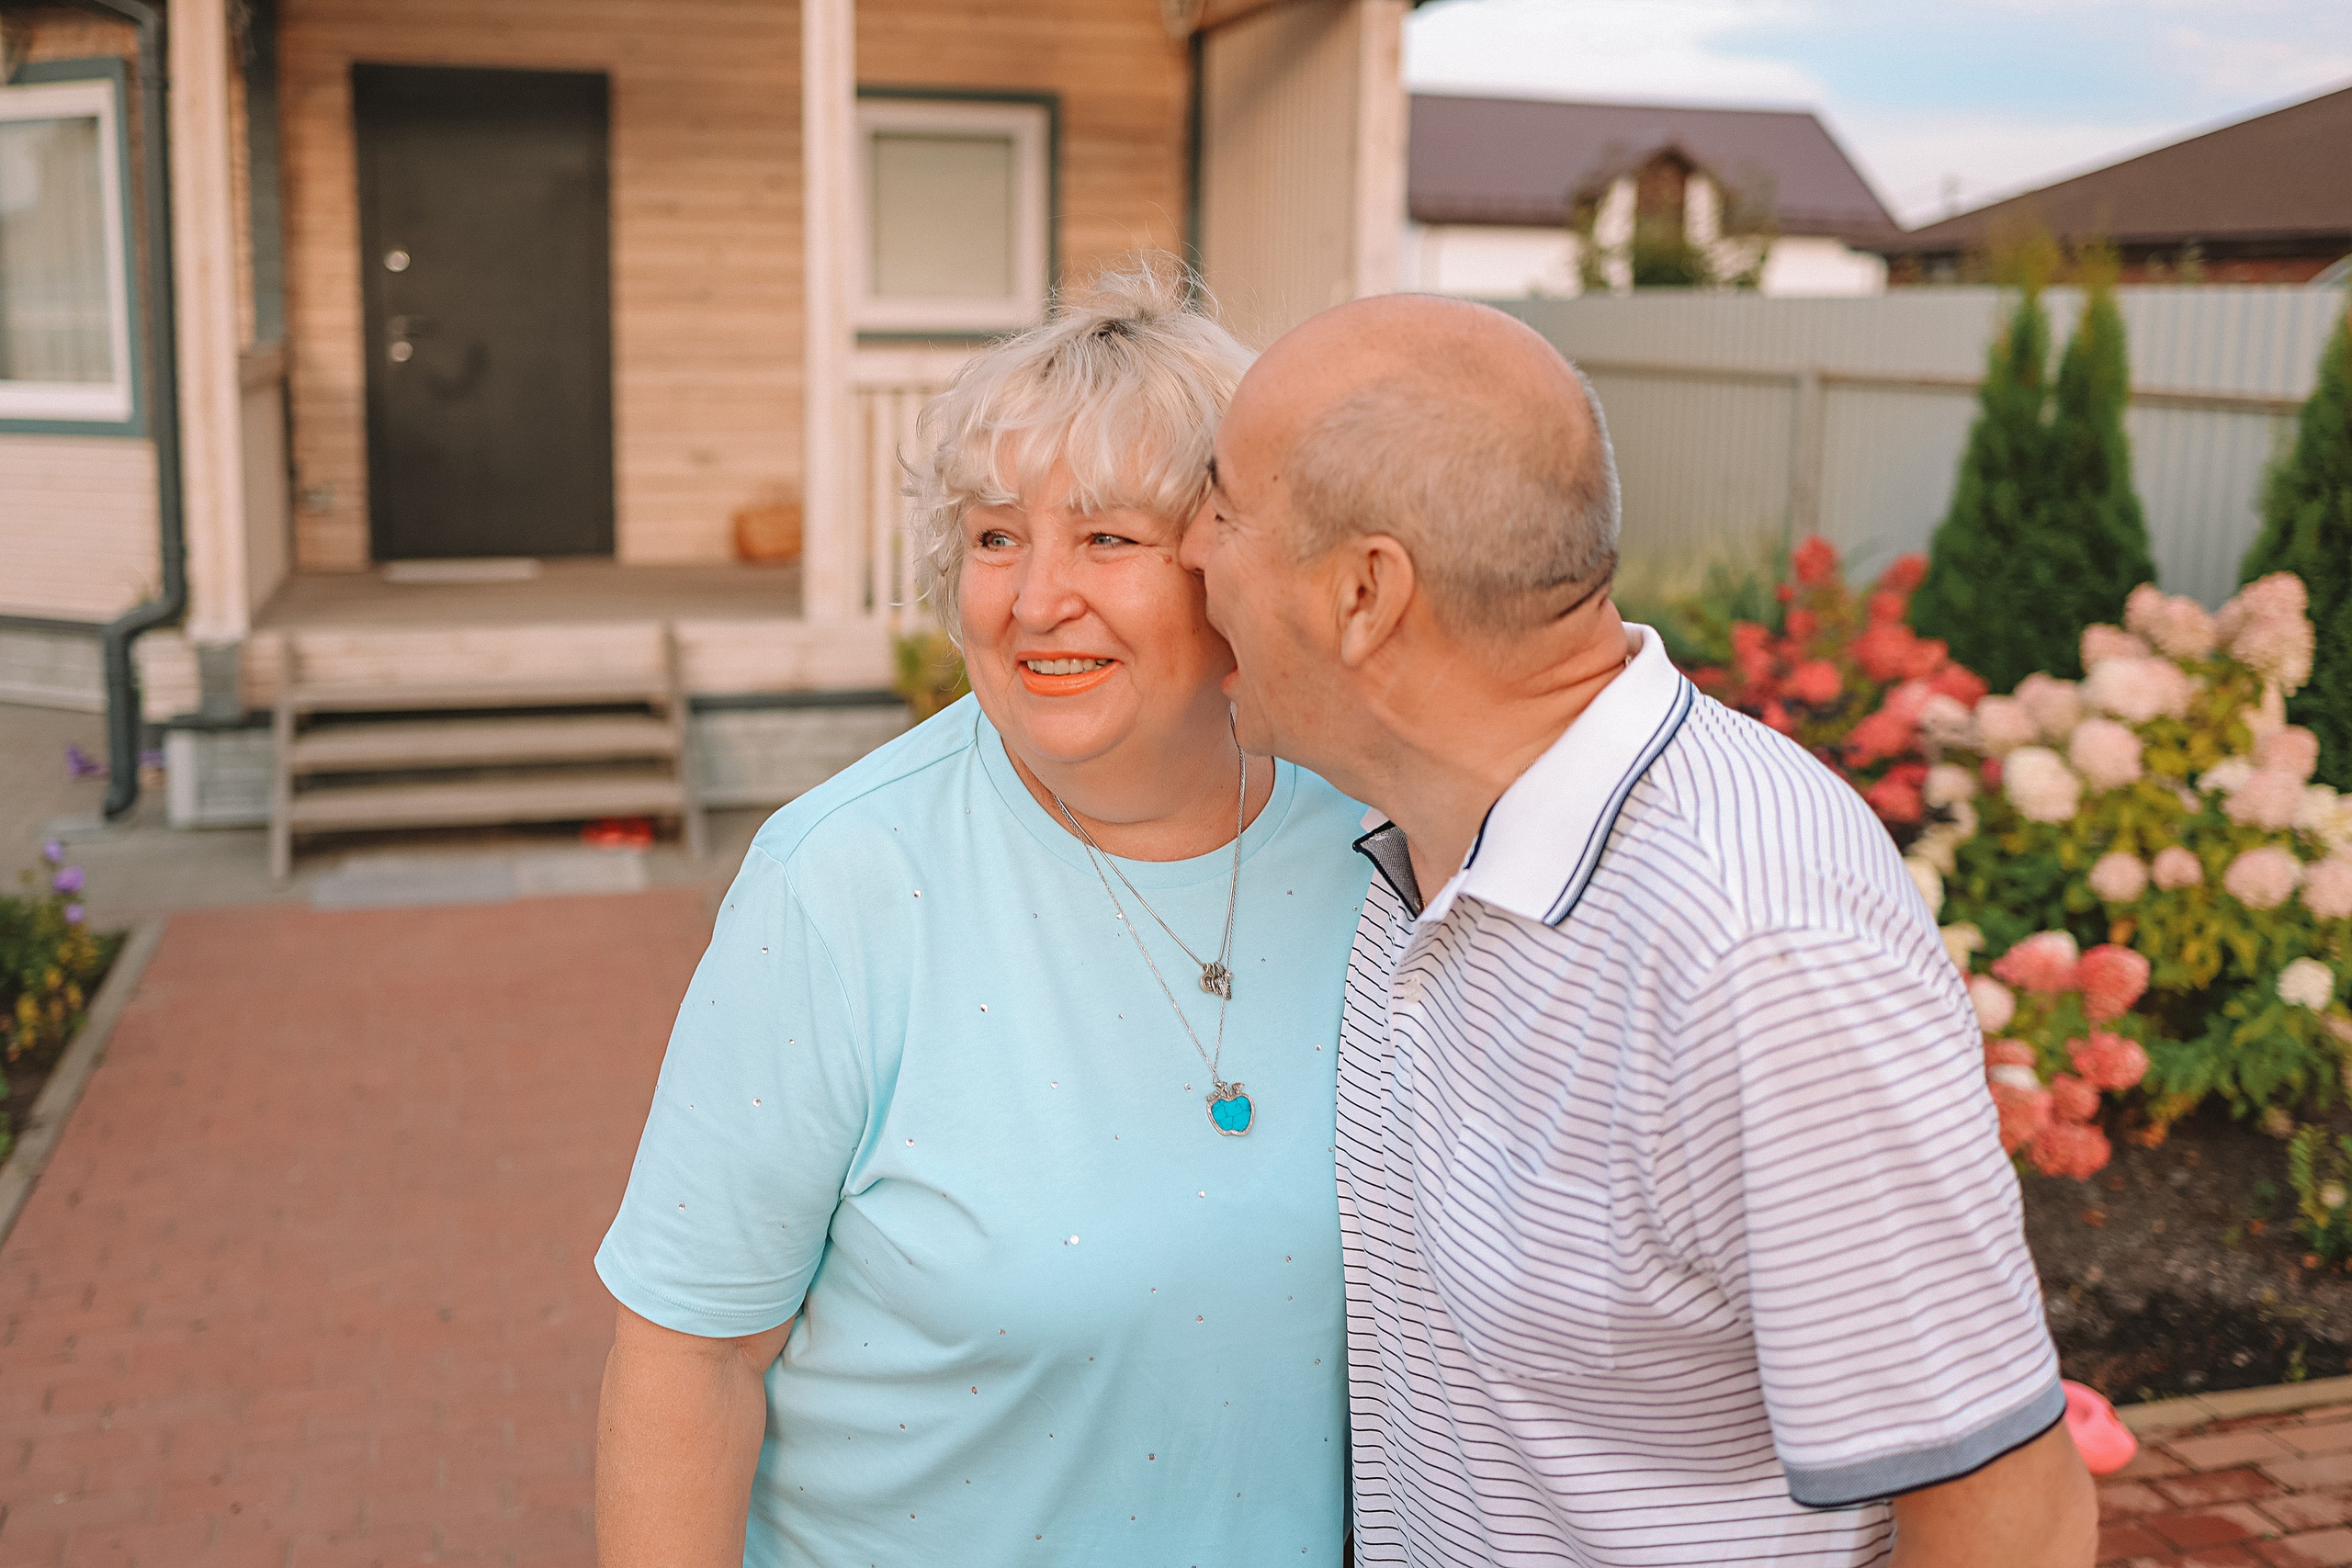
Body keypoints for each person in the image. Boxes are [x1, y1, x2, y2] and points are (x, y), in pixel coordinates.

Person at [1180, 293, 2099, 1567]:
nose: (1185, 552)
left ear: (1362, 594)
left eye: (1221, 510)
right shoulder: (1423, 836)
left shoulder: (1757, 951)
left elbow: (2012, 1515)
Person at [592, 266, 1370, 1567]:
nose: (1032, 598)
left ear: (1229, 568)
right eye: (997, 537)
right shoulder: (842, 883)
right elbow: (692, 1354)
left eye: (1107, 540)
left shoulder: (1367, 841)